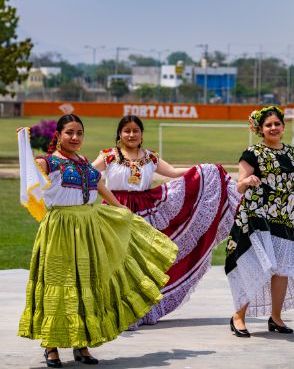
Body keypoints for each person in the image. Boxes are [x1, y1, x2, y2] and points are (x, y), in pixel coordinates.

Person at [17, 115, 177, 367]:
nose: (75, 138)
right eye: (69, 132)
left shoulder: (82, 162)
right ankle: (51, 346)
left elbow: (100, 185)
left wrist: (119, 208)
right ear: (58, 135)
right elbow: (31, 180)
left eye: (79, 133)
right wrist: (24, 150)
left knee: (85, 285)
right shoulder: (46, 162)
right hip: (61, 228)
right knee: (60, 284)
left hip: (87, 227)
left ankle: (82, 344)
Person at [91, 115, 240, 325]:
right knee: (117, 261)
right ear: (119, 134)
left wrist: (204, 170)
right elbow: (89, 173)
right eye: (127, 130)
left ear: (142, 134)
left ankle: (138, 311)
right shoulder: (108, 156)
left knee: (143, 263)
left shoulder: (150, 157)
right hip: (116, 211)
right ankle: (114, 310)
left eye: (136, 130)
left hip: (145, 212)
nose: (131, 134)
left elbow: (172, 172)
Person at [225, 106, 294, 337]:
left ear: (283, 126)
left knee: (282, 268)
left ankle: (276, 317)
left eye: (277, 124)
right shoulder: (252, 153)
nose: (273, 128)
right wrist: (247, 180)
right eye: (268, 125)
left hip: (285, 217)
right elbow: (239, 185)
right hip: (259, 218)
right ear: (260, 129)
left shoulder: (291, 152)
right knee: (256, 265)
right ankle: (238, 316)